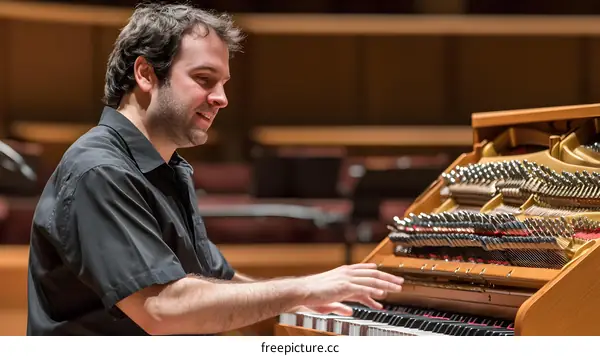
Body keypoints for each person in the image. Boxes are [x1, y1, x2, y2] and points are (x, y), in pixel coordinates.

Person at [26, 3, 404, 336]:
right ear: (145, 74)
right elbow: (162, 309)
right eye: (204, 79)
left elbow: (217, 281)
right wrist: (305, 288)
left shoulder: (165, 168)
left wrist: (293, 309)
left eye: (222, 83)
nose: (222, 99)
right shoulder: (100, 171)